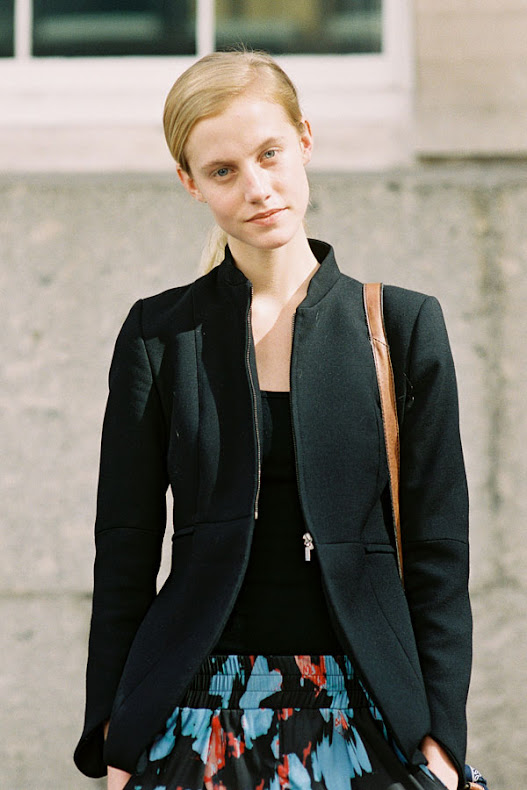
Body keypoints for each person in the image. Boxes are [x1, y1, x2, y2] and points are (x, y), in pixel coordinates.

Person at [74, 50, 474, 790]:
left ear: (305, 141)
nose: (256, 188)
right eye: (223, 170)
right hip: (192, 712)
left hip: (370, 711)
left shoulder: (403, 326)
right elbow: (124, 546)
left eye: (269, 154)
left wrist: (442, 738)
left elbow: (438, 550)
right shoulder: (160, 335)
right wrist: (110, 731)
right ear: (190, 183)